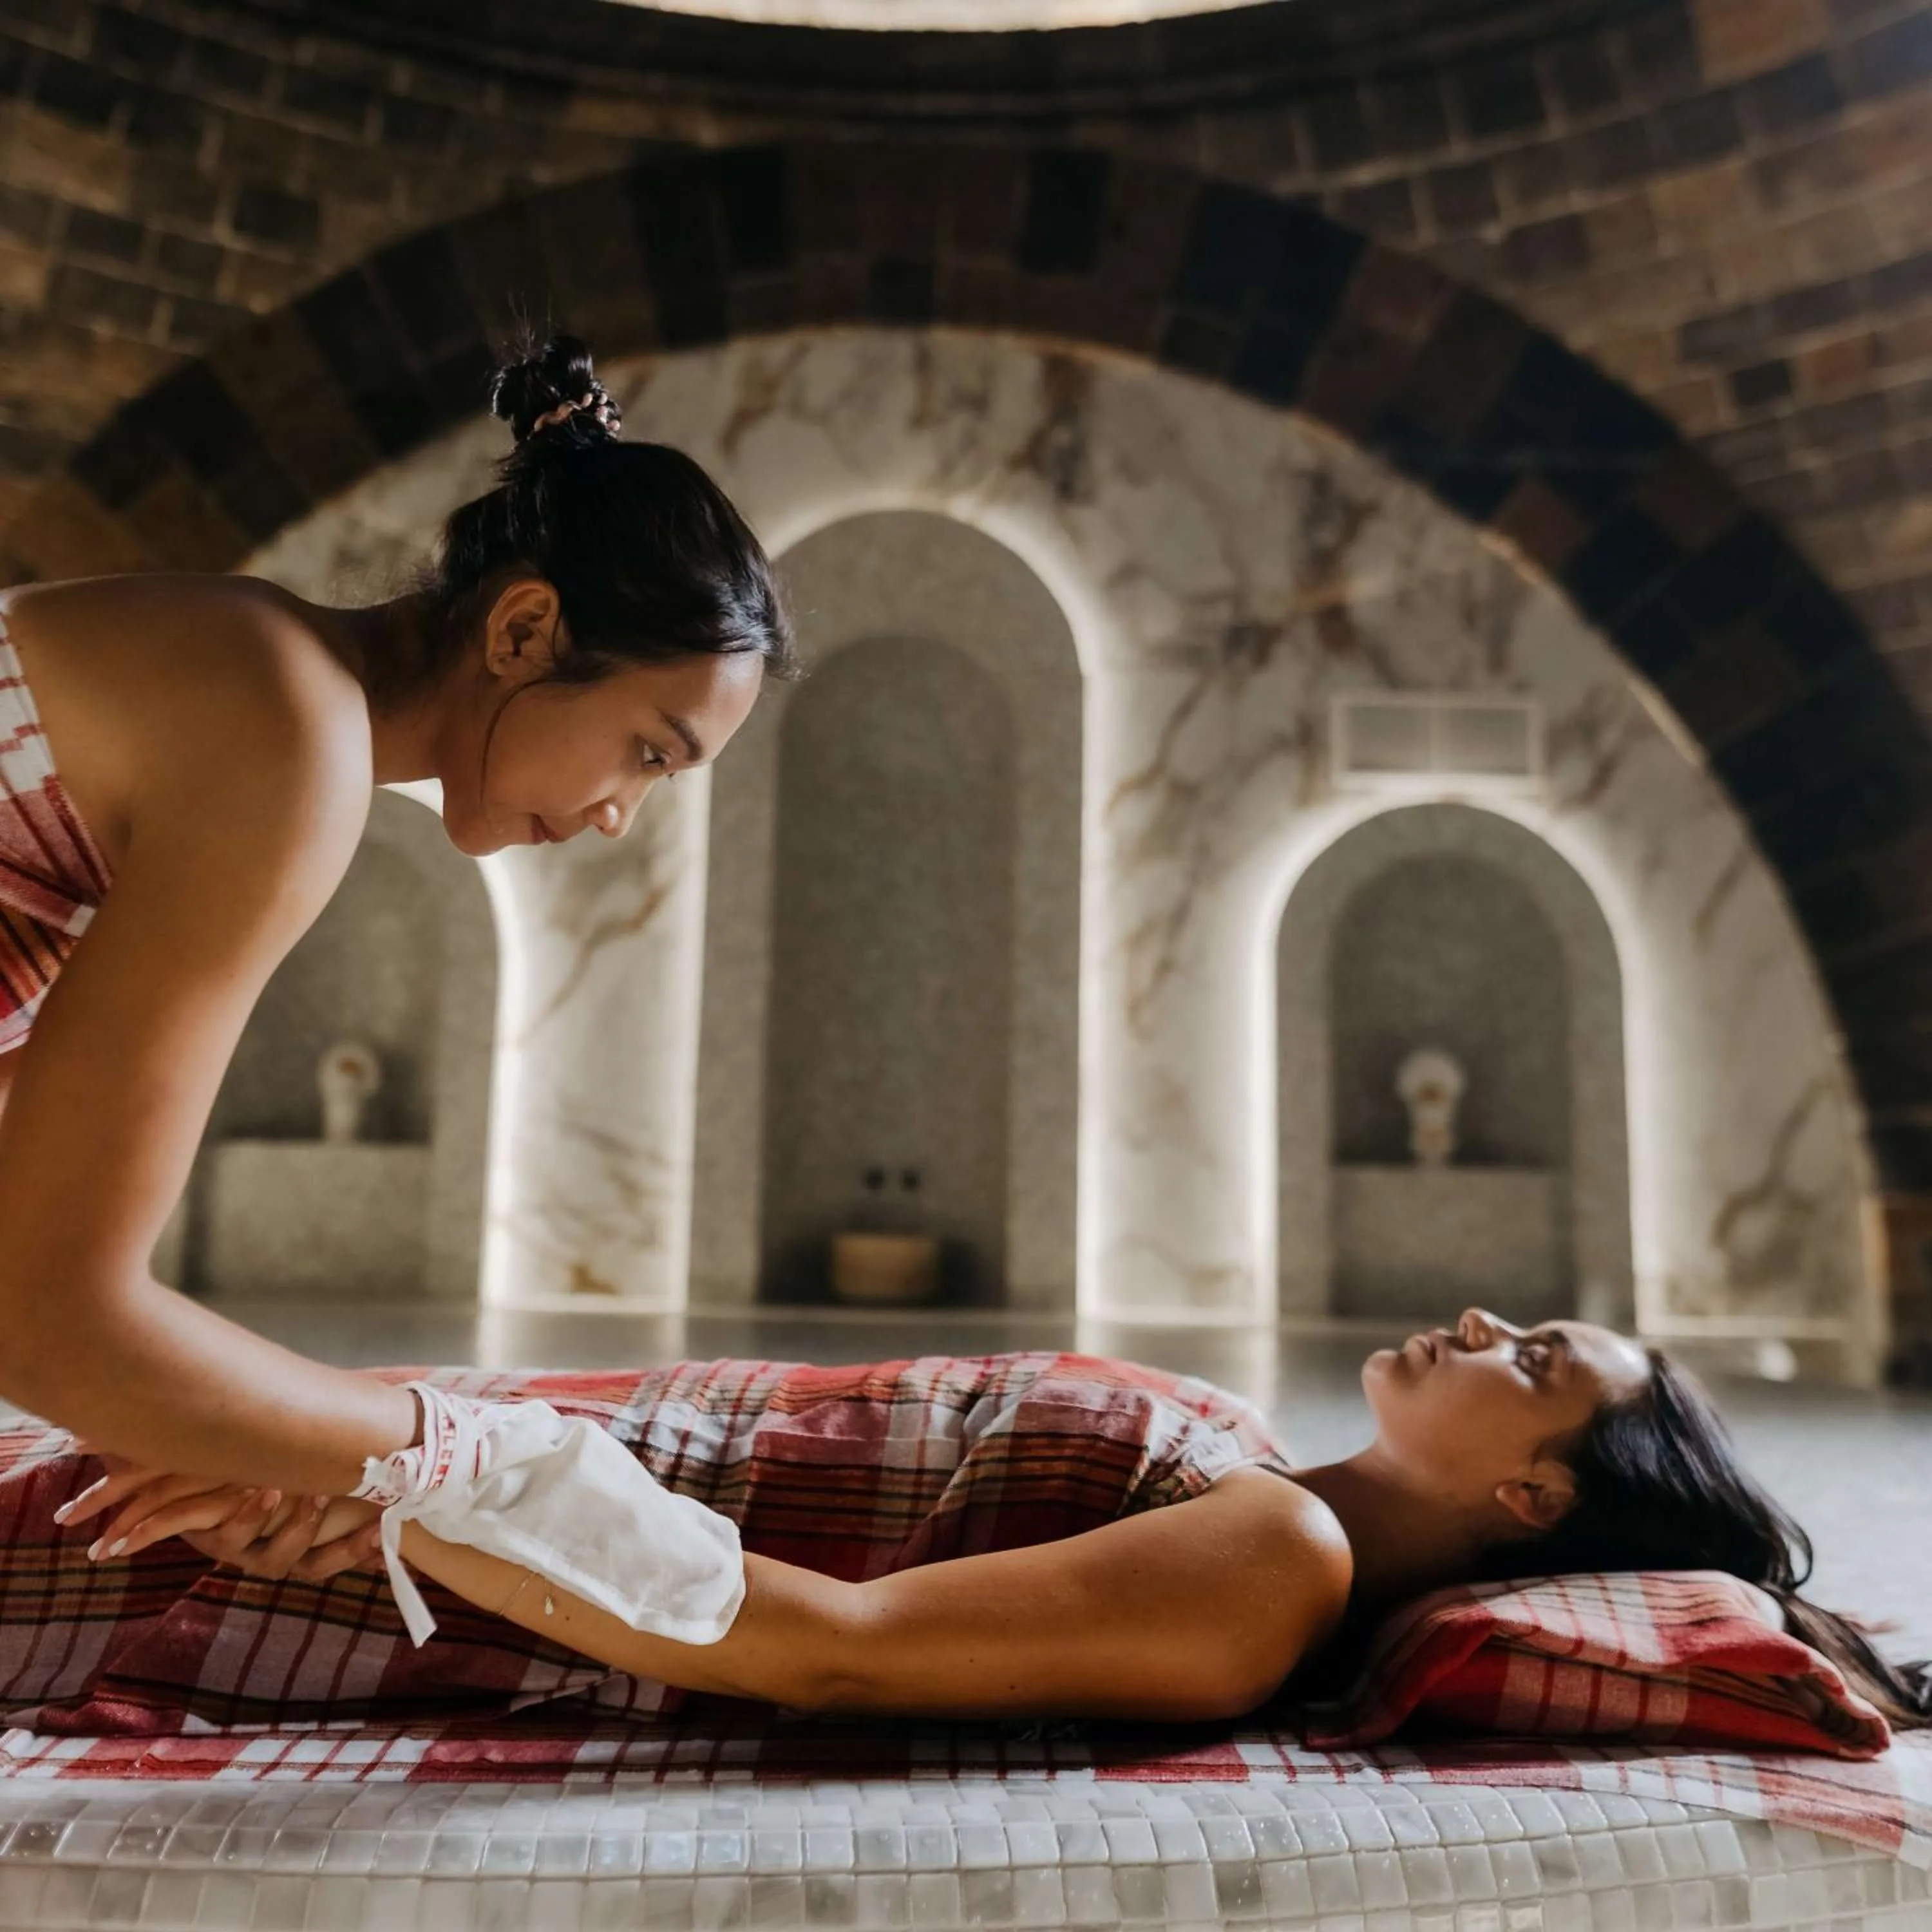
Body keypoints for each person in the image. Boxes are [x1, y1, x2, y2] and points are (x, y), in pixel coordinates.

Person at [0, 336, 793, 1578]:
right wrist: (475, 1457)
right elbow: (51, 1321)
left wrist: (256, 1436)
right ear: (525, 629)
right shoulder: (286, 739)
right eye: (649, 750)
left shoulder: (266, 679)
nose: (617, 819)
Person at [50, 1310, 1932, 1728]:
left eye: (1535, 1354)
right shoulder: (1255, 1470)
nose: (1485, 1320)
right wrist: (401, 1440)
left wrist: (410, 1491)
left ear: (1530, 1494)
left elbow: (824, 1642)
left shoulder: (1279, 1567)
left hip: (404, 1537)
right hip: (428, 1463)